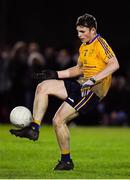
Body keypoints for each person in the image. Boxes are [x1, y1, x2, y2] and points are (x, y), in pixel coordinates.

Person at [10, 13, 119, 170]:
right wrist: (55, 74)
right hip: (82, 85)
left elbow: (114, 64)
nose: (79, 35)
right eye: (78, 31)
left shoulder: (100, 43)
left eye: (83, 31)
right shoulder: (84, 46)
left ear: (93, 30)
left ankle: (66, 161)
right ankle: (34, 128)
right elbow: (79, 69)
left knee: (58, 120)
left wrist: (94, 79)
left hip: (93, 91)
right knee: (43, 86)